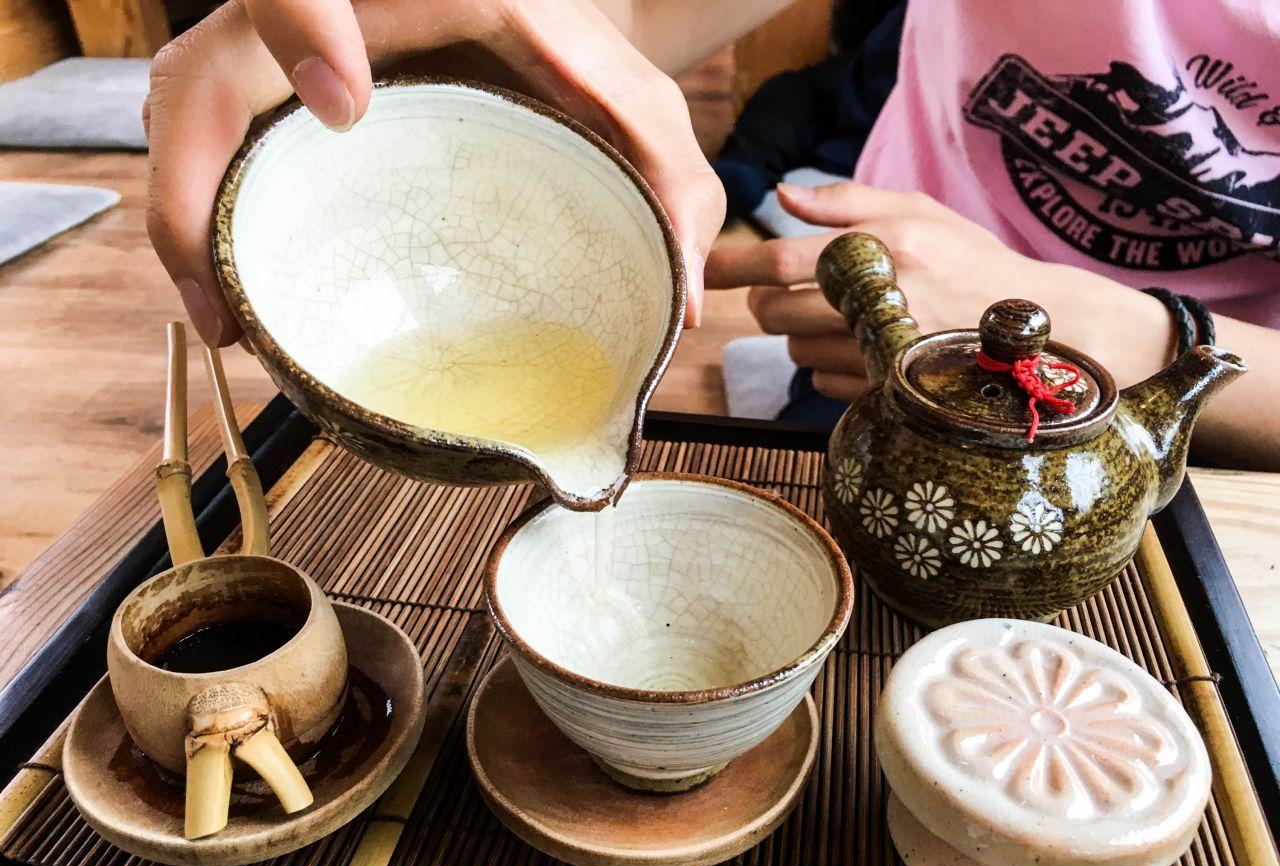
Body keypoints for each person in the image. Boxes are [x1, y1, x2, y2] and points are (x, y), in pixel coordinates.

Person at [143, 0, 1280, 468]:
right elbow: (624, 24)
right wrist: (508, 21)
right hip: (846, 349)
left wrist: (1141, 341)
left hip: (1195, 426)